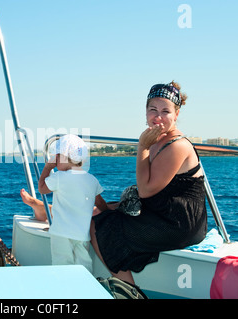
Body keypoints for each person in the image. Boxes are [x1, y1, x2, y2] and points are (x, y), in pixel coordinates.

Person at [90, 81, 208, 284]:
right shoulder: (158, 140)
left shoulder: (176, 145)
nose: (158, 117)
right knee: (104, 209)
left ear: (176, 115)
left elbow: (145, 191)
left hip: (179, 224)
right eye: (153, 109)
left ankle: (128, 292)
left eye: (165, 111)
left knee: (98, 225)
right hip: (164, 213)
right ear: (145, 112)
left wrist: (142, 147)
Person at [24, 134, 108, 273]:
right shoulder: (92, 180)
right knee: (83, 269)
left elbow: (42, 189)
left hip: (61, 234)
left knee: (62, 269)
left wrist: (47, 167)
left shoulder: (59, 177)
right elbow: (101, 204)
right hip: (82, 235)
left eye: (56, 158)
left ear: (62, 157)